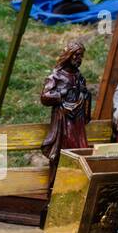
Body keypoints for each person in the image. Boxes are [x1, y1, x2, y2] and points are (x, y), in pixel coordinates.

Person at [40, 40, 92, 173]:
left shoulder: (79, 76)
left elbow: (85, 94)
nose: (79, 59)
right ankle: (59, 181)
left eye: (81, 56)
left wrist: (85, 95)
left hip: (78, 123)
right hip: (64, 123)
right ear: (68, 55)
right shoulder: (56, 76)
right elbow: (45, 97)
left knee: (80, 150)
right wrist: (62, 94)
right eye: (76, 55)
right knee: (64, 152)